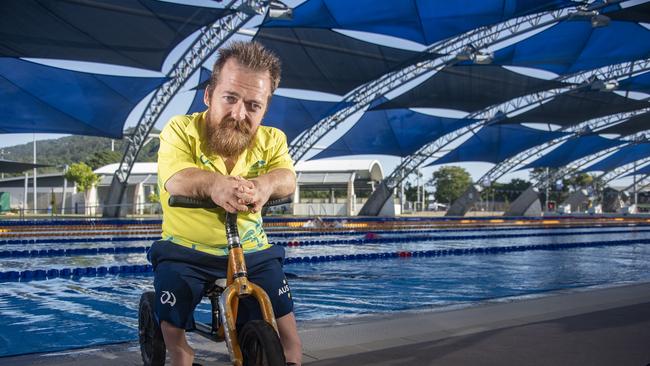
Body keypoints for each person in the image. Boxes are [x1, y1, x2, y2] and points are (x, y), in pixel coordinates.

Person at [150, 41, 302, 366]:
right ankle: (181, 353)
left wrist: (264, 185)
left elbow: (286, 177)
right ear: (208, 95)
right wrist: (214, 185)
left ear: (264, 109)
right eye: (230, 98)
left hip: (252, 252)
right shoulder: (180, 130)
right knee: (173, 332)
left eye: (253, 105)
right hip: (186, 251)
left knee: (289, 340)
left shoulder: (272, 139)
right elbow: (176, 178)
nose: (238, 114)